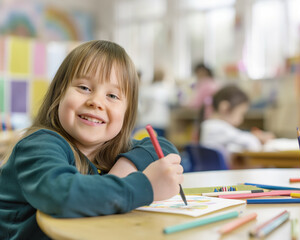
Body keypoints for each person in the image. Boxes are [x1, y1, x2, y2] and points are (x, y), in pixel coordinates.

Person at [0, 40, 184, 239]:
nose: (96, 102)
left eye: (112, 95)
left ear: (127, 113)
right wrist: (145, 186)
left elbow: (165, 148)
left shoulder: (109, 149)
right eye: (84, 88)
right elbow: (62, 195)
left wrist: (125, 166)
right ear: (59, 93)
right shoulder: (39, 145)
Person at [200, 85, 274, 165]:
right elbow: (250, 143)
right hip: (222, 175)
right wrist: (258, 138)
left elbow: (234, 141)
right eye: (241, 114)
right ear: (224, 107)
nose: (241, 120)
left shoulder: (208, 125)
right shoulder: (217, 128)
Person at [137, 68, 175, 137]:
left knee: (145, 144)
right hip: (160, 123)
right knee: (158, 144)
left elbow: (140, 107)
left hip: (145, 122)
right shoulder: (166, 90)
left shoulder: (146, 89)